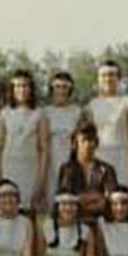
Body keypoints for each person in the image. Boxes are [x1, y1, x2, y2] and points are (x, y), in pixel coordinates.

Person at [0, 70, 49, 213]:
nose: (22, 90)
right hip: (9, 167)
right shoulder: (5, 113)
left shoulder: (39, 114)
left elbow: (44, 149)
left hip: (30, 169)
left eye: (25, 86)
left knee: (27, 210)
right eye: (18, 86)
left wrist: (41, 179)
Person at [85, 60, 128, 187]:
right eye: (103, 75)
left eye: (111, 75)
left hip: (122, 155)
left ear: (118, 79)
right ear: (98, 79)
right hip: (99, 154)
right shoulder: (91, 105)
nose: (108, 79)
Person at [57, 122, 118, 226]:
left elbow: (110, 201)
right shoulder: (67, 169)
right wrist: (95, 196)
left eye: (91, 140)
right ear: (75, 144)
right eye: (83, 140)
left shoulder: (106, 169)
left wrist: (82, 199)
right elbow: (66, 199)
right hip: (75, 222)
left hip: (102, 222)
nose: (87, 144)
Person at [43, 71, 82, 211]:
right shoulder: (45, 112)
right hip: (50, 161)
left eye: (65, 87)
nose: (61, 91)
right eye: (57, 87)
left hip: (69, 159)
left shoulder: (76, 112)